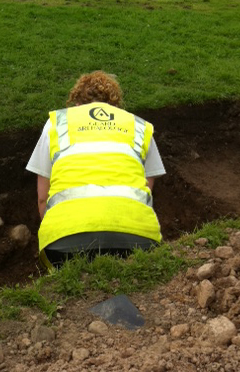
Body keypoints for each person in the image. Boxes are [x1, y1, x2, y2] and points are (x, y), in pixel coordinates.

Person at [26, 71, 165, 269]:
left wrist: (56, 232)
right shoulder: (139, 126)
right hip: (138, 236)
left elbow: (42, 198)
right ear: (116, 106)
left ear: (76, 104)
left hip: (64, 240)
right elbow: (146, 193)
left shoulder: (58, 123)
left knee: (74, 294)